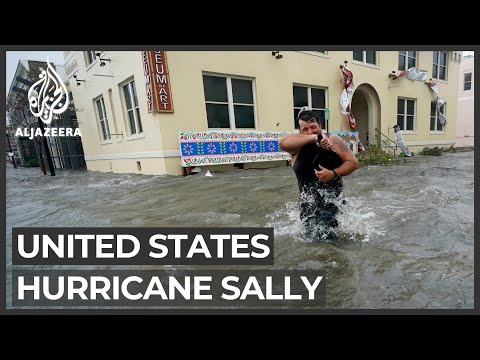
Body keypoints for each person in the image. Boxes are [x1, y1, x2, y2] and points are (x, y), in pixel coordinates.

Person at [279, 107, 359, 242]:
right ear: (300, 131)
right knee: (309, 245)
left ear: (320, 126)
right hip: (308, 206)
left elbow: (353, 163)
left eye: (313, 127)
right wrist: (313, 138)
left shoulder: (333, 140)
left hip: (333, 203)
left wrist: (333, 173)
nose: (310, 131)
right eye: (305, 129)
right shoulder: (296, 147)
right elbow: (282, 143)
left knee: (331, 245)